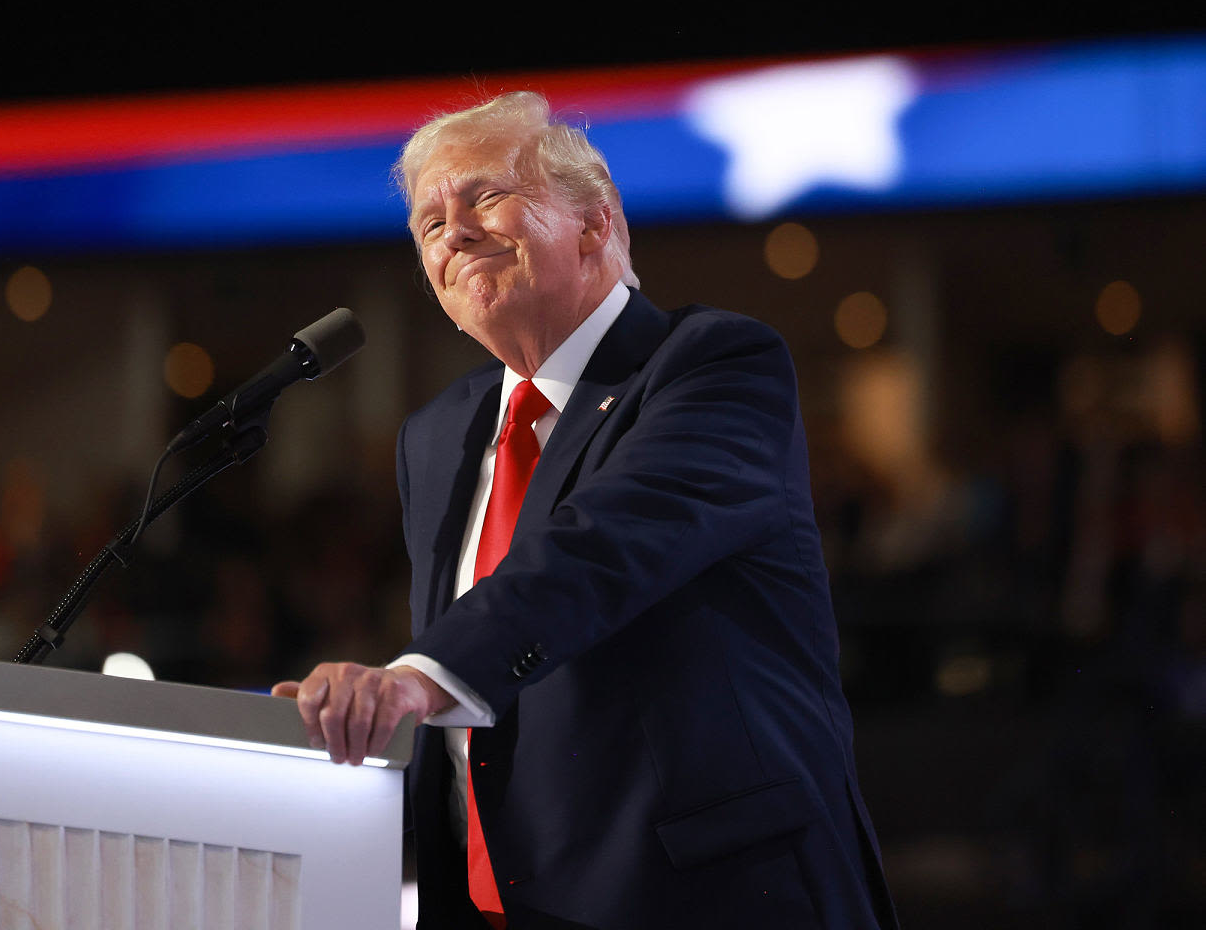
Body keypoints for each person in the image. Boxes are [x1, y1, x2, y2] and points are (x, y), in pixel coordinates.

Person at [271, 91, 898, 929]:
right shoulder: (436, 436)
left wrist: (413, 681)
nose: (452, 232)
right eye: (428, 224)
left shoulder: (713, 367)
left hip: (708, 895)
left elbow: (598, 552)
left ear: (595, 223)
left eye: (484, 197)